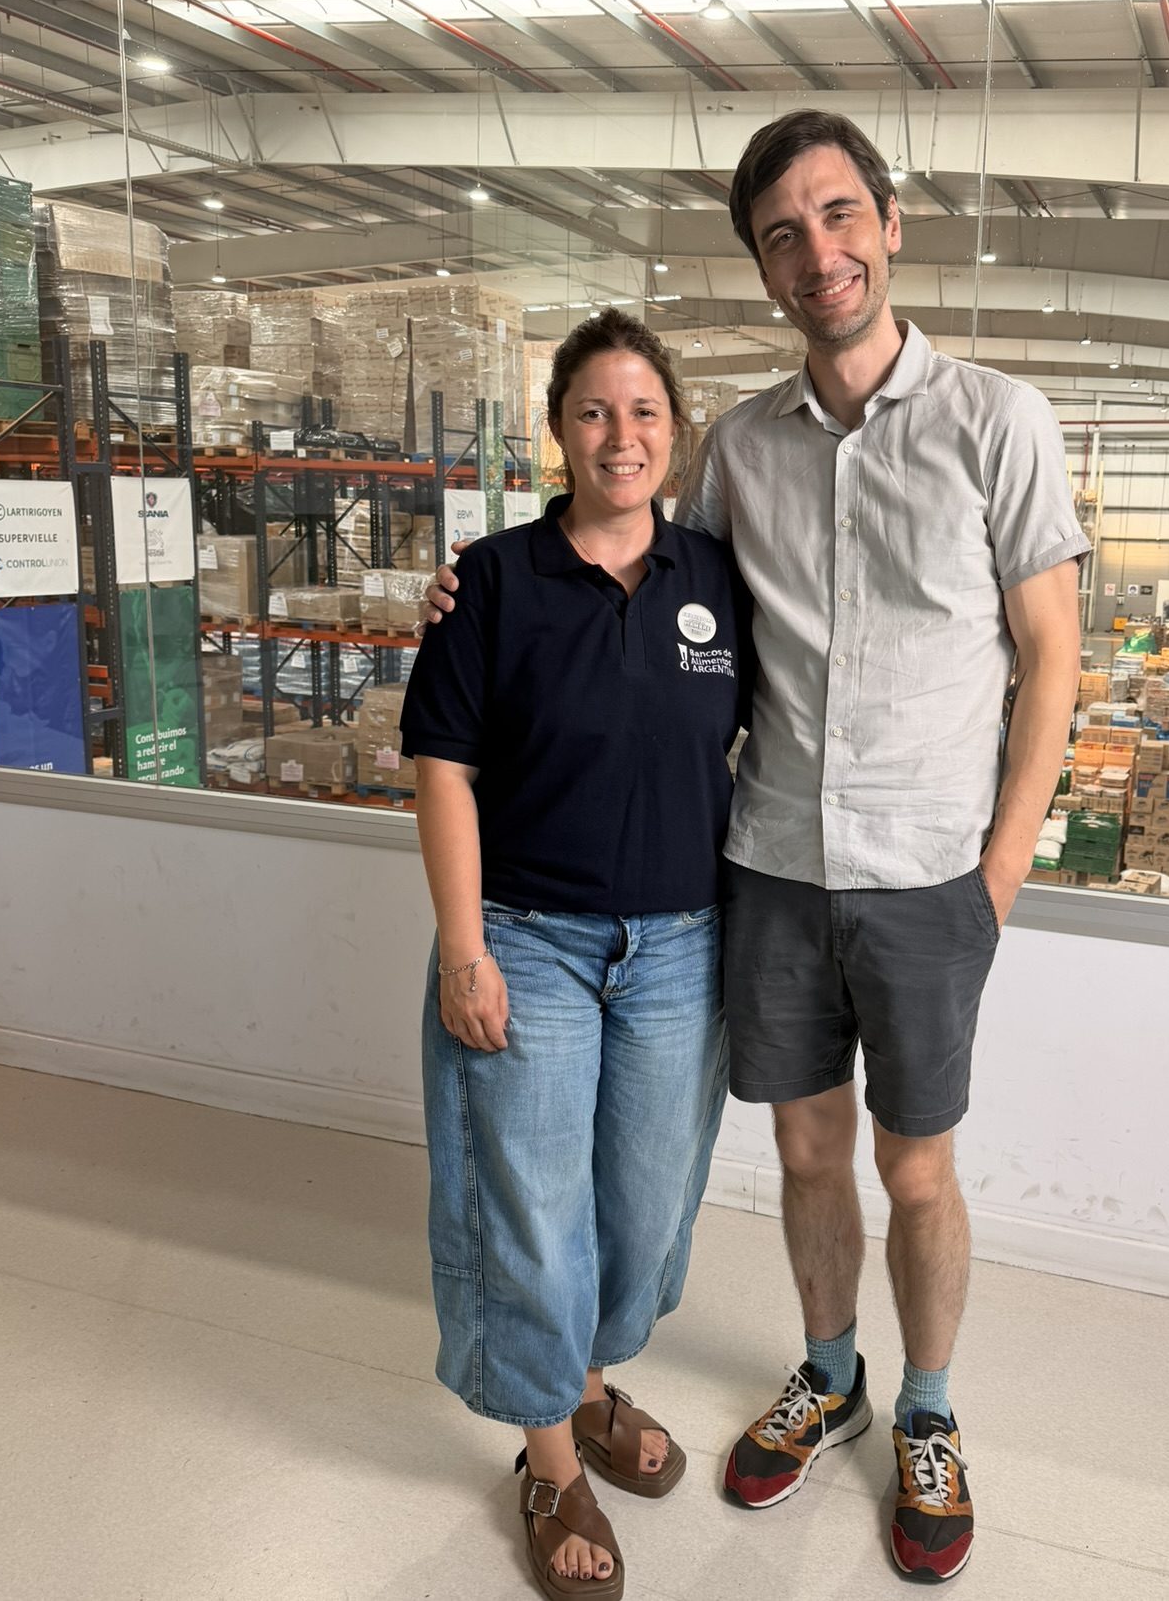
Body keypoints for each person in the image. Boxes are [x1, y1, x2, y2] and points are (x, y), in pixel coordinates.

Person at [423, 111, 1086, 1585]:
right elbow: (639, 567)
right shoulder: (739, 448)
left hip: (928, 876)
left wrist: (1000, 874)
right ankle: (829, 1371)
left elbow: (1054, 658)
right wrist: (470, 592)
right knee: (803, 1150)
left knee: (920, 1170)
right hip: (772, 868)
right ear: (765, 267)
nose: (818, 252)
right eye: (784, 234)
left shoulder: (998, 422)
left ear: (890, 225)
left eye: (839, 216)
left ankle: (927, 1411)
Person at [399, 307, 744, 1600]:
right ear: (557, 430)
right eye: (594, 411)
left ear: (676, 432)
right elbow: (442, 766)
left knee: (643, 1207)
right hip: (528, 941)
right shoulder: (492, 580)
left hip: (680, 945)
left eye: (644, 411)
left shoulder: (717, 578)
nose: (621, 434)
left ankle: (588, 1382)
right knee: (534, 1211)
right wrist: (462, 949)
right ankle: (549, 1460)